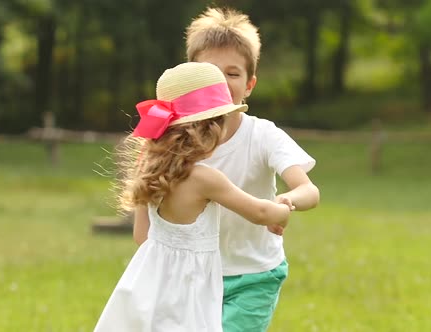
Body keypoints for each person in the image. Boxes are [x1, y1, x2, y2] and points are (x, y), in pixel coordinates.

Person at [133, 7, 321, 332]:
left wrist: (286, 201)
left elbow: (309, 190)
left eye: (231, 74)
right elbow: (144, 234)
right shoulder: (167, 152)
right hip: (194, 277)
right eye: (209, 73)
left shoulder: (262, 135)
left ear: (249, 84)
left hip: (253, 274)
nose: (219, 81)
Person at [94, 62, 292, 332]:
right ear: (209, 127)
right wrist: (283, 208)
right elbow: (260, 213)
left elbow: (142, 236)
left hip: (151, 286)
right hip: (191, 292)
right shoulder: (204, 179)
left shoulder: (148, 170)